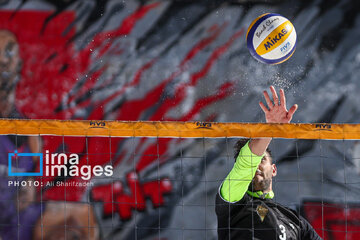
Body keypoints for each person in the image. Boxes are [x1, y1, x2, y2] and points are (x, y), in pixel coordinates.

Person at [215, 86, 322, 239]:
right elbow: (245, 164)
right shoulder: (234, 200)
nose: (256, 164)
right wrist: (271, 129)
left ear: (273, 170)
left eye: (262, 160)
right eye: (256, 159)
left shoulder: (295, 221)